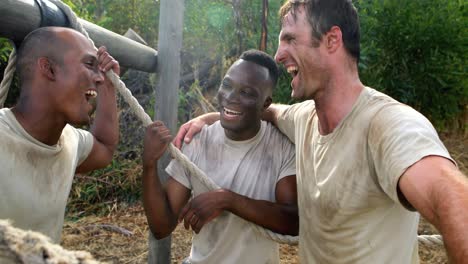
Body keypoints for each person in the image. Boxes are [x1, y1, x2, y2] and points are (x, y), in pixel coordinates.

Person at [174, 1, 468, 263]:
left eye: (290, 39)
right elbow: (268, 109)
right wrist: (212, 117)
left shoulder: (388, 124)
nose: (278, 54)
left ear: (332, 40)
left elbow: (451, 200)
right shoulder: (303, 118)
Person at [142, 49, 298, 264]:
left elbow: (293, 221)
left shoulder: (282, 146)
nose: (231, 97)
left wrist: (228, 200)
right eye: (227, 85)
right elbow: (161, 227)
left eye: (247, 92)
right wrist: (149, 164)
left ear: (265, 104)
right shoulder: (196, 140)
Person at [0, 27, 120, 243]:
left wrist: (110, 88)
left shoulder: (70, 140)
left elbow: (105, 148)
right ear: (49, 69)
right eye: (89, 64)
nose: (100, 78)